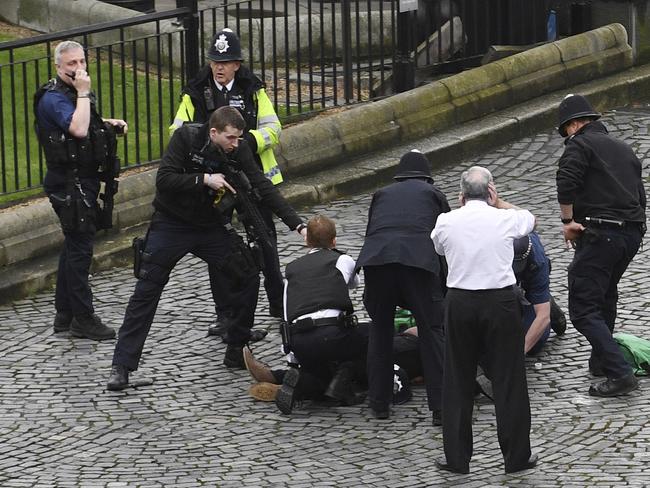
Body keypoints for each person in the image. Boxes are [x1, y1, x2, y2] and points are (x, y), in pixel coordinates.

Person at [106, 106, 305, 390]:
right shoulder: (186, 139)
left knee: (248, 272)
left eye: (238, 138)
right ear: (214, 132)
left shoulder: (240, 149)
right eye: (230, 138)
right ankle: (121, 366)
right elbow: (164, 179)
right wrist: (203, 179)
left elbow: (263, 187)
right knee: (146, 290)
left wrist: (298, 225)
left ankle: (237, 346)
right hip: (171, 223)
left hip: (210, 226)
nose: (236, 144)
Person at [170, 28, 286, 332]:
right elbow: (178, 132)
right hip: (215, 182)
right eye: (215, 61)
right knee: (218, 248)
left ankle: (279, 302)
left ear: (237, 64)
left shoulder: (252, 88)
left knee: (265, 240)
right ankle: (225, 314)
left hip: (250, 177)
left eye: (226, 61)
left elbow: (273, 129)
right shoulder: (195, 90)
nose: (219, 67)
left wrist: (246, 141)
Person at [431, 166, 537, 474]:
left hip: (460, 302)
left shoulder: (446, 220)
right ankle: (516, 457)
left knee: (457, 380)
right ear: (490, 191)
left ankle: (457, 458)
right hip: (500, 302)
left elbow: (438, 246)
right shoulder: (504, 218)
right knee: (509, 379)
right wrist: (500, 203)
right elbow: (532, 219)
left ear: (461, 195)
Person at [34, 40, 127, 341]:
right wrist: (84, 92)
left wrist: (109, 123)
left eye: (81, 62)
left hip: (80, 181)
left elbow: (86, 122)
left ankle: (64, 315)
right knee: (80, 250)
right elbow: (77, 129)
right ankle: (83, 319)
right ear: (58, 67)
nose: (78, 68)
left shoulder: (74, 93)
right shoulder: (54, 98)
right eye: (71, 64)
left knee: (74, 245)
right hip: (69, 184)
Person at [556, 93, 646, 397]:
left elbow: (566, 181)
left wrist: (568, 222)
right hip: (630, 234)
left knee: (582, 308)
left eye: (566, 129)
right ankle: (602, 359)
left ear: (574, 125)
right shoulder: (624, 148)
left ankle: (620, 373)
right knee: (605, 294)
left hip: (601, 233)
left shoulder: (579, 145)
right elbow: (640, 196)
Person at [356, 149, 449, 424]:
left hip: (378, 261)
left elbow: (372, 231)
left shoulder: (381, 195)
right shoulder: (433, 195)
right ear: (426, 177)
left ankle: (379, 402)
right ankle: (441, 407)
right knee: (432, 332)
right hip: (418, 263)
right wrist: (443, 289)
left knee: (380, 330)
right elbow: (446, 241)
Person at [272, 214, 370, 414]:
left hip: (300, 340)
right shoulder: (342, 259)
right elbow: (354, 283)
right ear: (334, 241)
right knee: (372, 334)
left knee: (319, 375)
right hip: (333, 334)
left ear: (307, 241)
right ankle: (343, 381)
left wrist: (292, 356)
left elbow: (286, 311)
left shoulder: (292, 269)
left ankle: (300, 382)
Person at [513, 231, 566, 356]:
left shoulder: (538, 260)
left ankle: (546, 301)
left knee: (534, 345)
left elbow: (542, 317)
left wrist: (519, 355)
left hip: (531, 277)